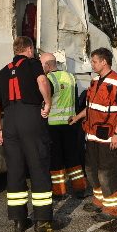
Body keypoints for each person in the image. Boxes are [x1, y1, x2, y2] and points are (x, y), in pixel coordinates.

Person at [0, 36, 56, 232]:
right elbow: (42, 80)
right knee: (38, 167)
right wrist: (48, 103)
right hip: (31, 118)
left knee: (16, 171)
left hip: (10, 121)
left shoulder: (2, 72)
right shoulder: (33, 64)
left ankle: (19, 221)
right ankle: (43, 221)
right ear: (28, 49)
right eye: (33, 50)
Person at [69, 47, 117, 222]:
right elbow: (91, 107)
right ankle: (99, 200)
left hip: (109, 135)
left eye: (94, 61)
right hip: (93, 134)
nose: (92, 64)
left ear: (104, 62)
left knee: (107, 172)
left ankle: (112, 208)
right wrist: (77, 117)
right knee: (92, 170)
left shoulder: (116, 83)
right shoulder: (95, 81)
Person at [39, 52, 88, 199]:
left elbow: (46, 101)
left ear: (47, 65)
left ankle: (59, 192)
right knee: (73, 157)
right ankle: (79, 189)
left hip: (53, 124)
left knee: (56, 160)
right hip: (70, 123)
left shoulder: (48, 79)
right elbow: (75, 101)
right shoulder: (70, 77)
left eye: (42, 64)